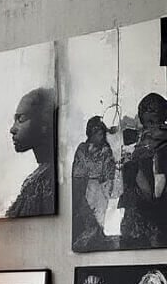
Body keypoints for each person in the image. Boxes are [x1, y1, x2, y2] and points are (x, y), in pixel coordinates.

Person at [120, 92, 167, 248]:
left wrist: (134, 167)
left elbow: (156, 193)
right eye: (147, 124)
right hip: (142, 216)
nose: (150, 129)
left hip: (155, 216)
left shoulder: (158, 144)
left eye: (154, 123)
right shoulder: (145, 143)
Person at [5, 87, 56, 218]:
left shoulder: (44, 181)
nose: (12, 129)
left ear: (45, 123)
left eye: (21, 119)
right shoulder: (39, 178)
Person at [71, 116, 116, 250]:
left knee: (100, 215)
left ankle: (98, 240)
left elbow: (109, 171)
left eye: (101, 132)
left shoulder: (106, 150)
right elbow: (78, 170)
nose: (99, 135)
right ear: (90, 132)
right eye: (96, 131)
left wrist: (106, 186)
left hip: (101, 186)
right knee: (87, 215)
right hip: (85, 185)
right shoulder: (82, 148)